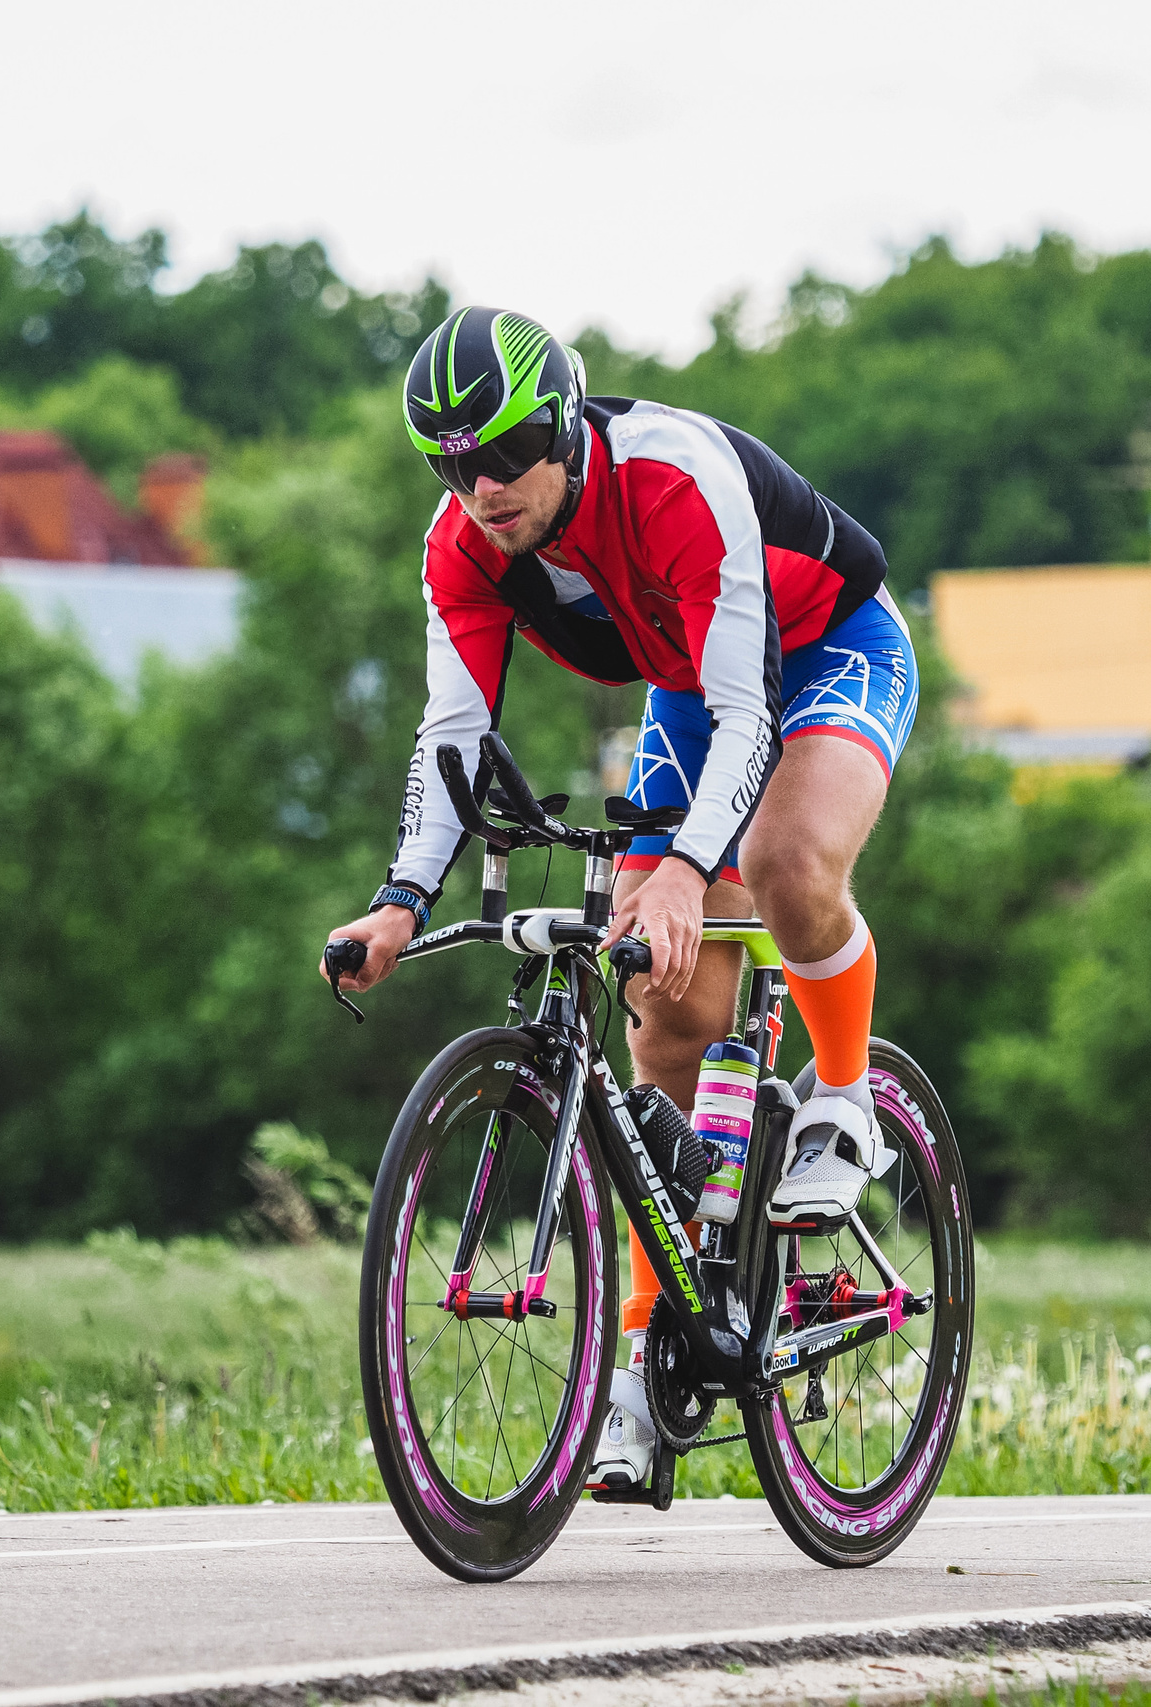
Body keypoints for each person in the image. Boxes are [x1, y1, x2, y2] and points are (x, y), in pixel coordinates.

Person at [322, 306, 919, 1494]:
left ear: (560, 421)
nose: (480, 486)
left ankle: (845, 1098)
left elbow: (750, 713)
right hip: (689, 689)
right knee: (667, 1014)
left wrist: (694, 871)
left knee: (789, 862)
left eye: (502, 453)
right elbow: (451, 738)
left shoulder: (672, 476)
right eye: (450, 463)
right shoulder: (460, 547)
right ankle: (655, 1354)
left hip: (820, 648)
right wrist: (397, 902)